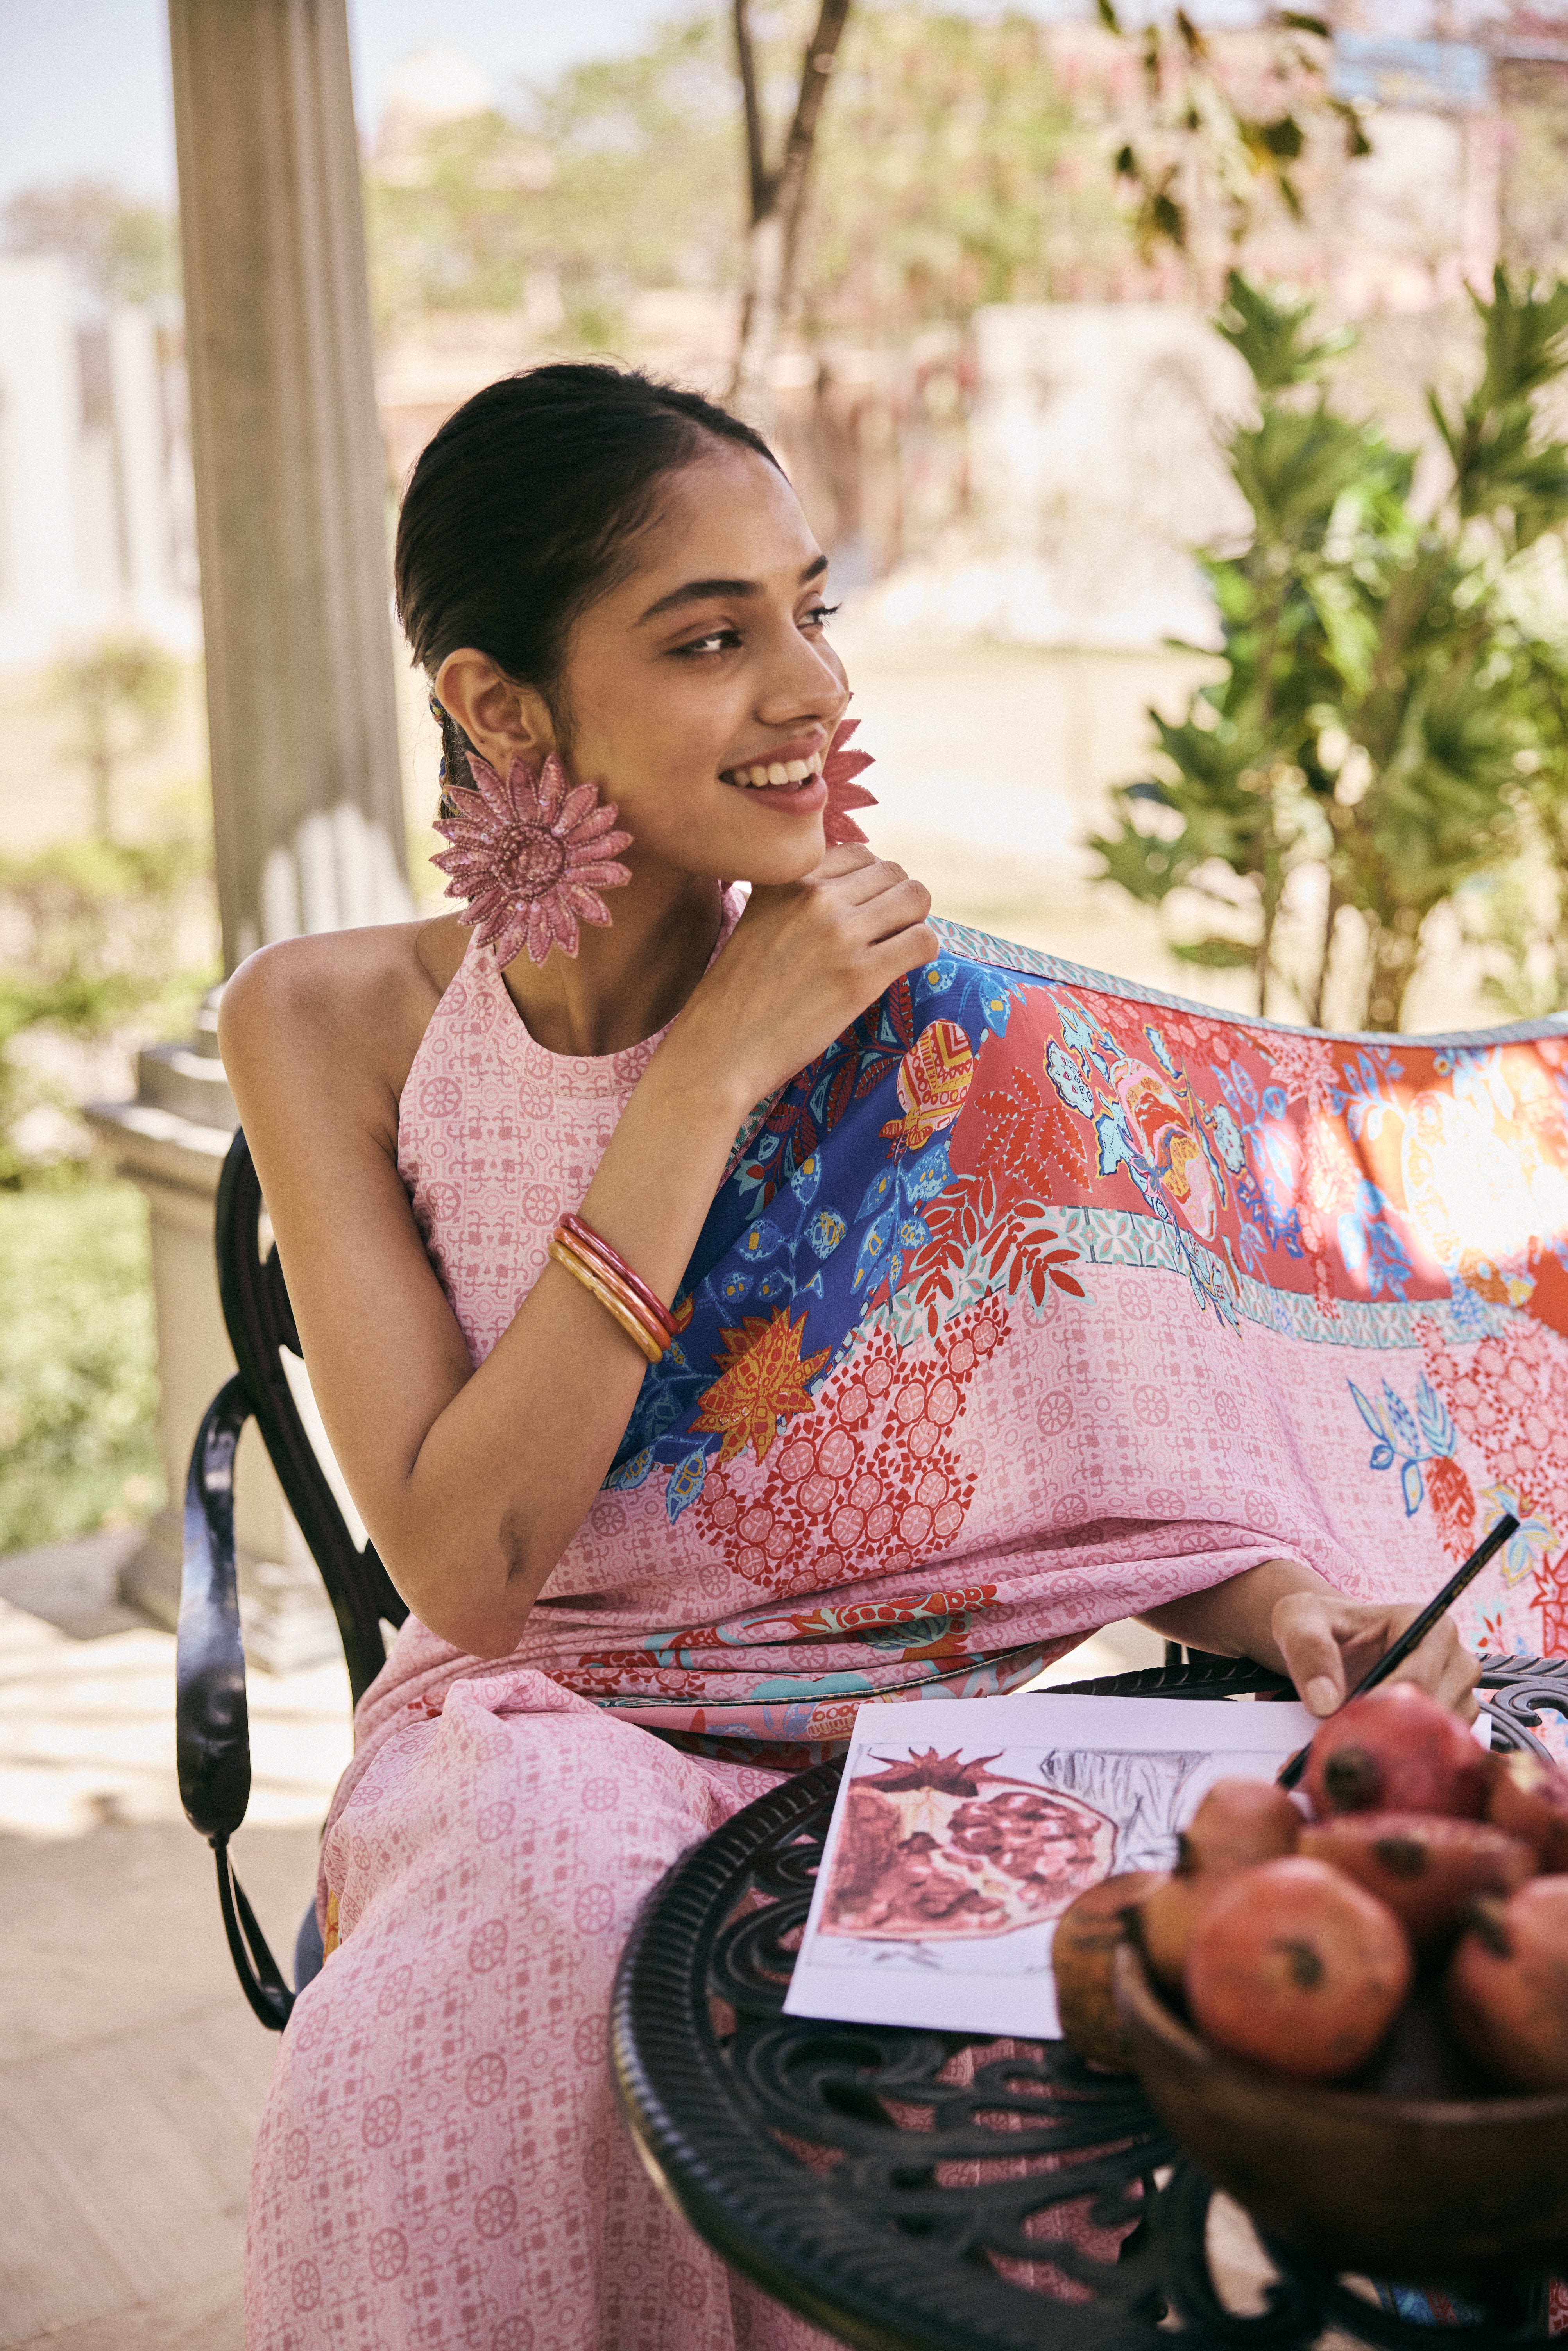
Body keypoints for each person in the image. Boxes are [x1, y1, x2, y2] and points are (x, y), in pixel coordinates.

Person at [227, 365, 1479, 2349]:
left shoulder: (924, 1021)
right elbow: (471, 1567)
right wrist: (713, 1065)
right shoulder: (328, 1021)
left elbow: (1073, 1423)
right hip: (529, 1738)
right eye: (714, 637)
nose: (810, 689)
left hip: (878, 1771)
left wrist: (1285, 1594)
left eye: (812, 608)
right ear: (498, 704)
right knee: (557, 1904)